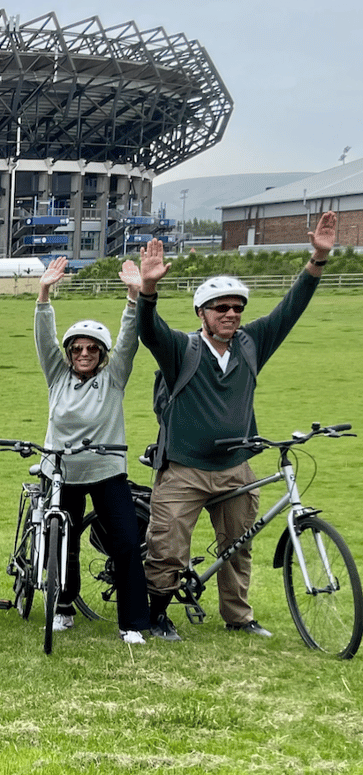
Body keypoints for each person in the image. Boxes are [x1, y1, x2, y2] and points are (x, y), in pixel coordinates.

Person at [137, 211, 337, 642]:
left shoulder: (251, 344)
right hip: (185, 467)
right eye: (221, 308)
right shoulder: (182, 349)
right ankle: (156, 614)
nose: (231, 314)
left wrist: (317, 259)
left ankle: (238, 616)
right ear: (201, 312)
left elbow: (290, 310)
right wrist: (148, 289)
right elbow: (149, 332)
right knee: (167, 546)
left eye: (237, 308)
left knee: (238, 546)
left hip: (236, 467)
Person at [34, 256, 151, 644]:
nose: (84, 354)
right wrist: (45, 292)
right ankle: (63, 606)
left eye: (92, 349)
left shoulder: (113, 378)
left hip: (106, 472)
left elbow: (129, 340)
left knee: (125, 542)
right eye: (78, 349)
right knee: (61, 540)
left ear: (102, 354)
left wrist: (133, 297)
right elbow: (44, 338)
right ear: (69, 353)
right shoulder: (57, 375)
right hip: (61, 472)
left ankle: (132, 622)